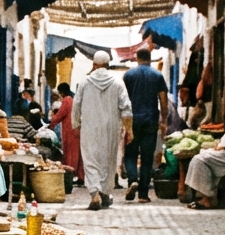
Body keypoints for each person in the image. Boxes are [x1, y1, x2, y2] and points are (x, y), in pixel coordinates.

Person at [73, 50, 133, 210]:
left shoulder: (85, 82)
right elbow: (126, 108)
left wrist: (76, 124)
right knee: (108, 160)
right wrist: (129, 130)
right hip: (112, 128)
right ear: (108, 65)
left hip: (89, 128)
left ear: (94, 64)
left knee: (91, 159)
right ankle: (105, 193)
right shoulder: (118, 82)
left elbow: (76, 104)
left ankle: (96, 194)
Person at [185, 86, 225, 209]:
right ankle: (206, 195)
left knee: (200, 160)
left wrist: (224, 146)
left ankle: (208, 198)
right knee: (201, 155)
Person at [121, 47, 170, 203]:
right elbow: (163, 99)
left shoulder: (128, 75)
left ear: (136, 58)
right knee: (147, 157)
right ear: (150, 58)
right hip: (150, 120)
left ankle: (132, 180)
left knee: (130, 153)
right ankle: (143, 194)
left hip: (132, 120)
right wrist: (164, 120)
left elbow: (122, 99)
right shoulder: (157, 75)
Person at [49, 82, 82, 183]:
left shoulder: (67, 100)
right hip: (76, 129)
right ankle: (81, 176)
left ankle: (70, 174)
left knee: (70, 153)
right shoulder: (74, 99)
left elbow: (60, 115)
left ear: (61, 92)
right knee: (78, 154)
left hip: (70, 130)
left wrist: (51, 124)